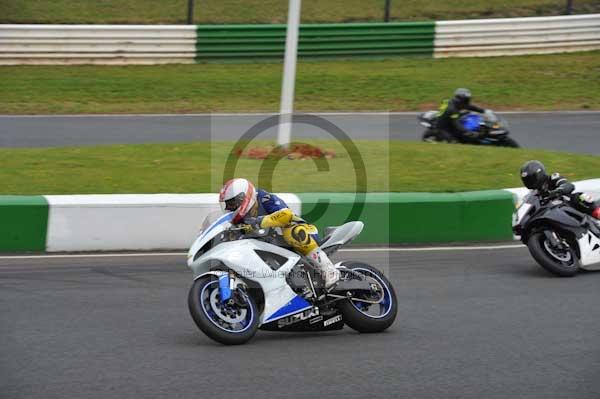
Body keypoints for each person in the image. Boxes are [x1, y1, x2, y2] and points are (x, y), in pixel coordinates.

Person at [218, 178, 340, 288]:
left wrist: (260, 221)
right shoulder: (238, 219)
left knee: (293, 232)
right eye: (227, 205)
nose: (230, 208)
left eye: (232, 204)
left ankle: (329, 270)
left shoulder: (264, 198)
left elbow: (286, 215)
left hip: (302, 234)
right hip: (270, 249)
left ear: (243, 198)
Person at [520, 160, 600, 219]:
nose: (529, 182)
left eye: (531, 179)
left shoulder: (552, 178)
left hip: (568, 206)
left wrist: (557, 191)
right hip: (554, 215)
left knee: (579, 197)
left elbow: (569, 185)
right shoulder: (534, 194)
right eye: (527, 180)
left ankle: (597, 212)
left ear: (539, 174)